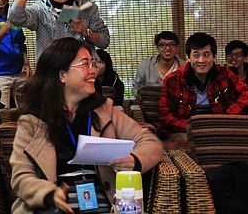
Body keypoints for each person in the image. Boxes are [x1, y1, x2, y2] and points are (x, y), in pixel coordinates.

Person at [10, 38, 162, 213]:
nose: (93, 71)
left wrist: (134, 160)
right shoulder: (32, 121)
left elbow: (151, 143)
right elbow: (21, 177)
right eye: (84, 64)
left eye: (93, 63)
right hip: (53, 208)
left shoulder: (104, 111)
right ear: (62, 75)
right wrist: (49, 194)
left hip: (105, 206)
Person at [159, 32, 248, 137]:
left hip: (219, 127)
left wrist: (228, 116)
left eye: (206, 55)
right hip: (186, 130)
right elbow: (165, 114)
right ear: (188, 57)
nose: (201, 60)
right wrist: (189, 127)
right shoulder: (172, 79)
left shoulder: (225, 73)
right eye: (196, 55)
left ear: (214, 56)